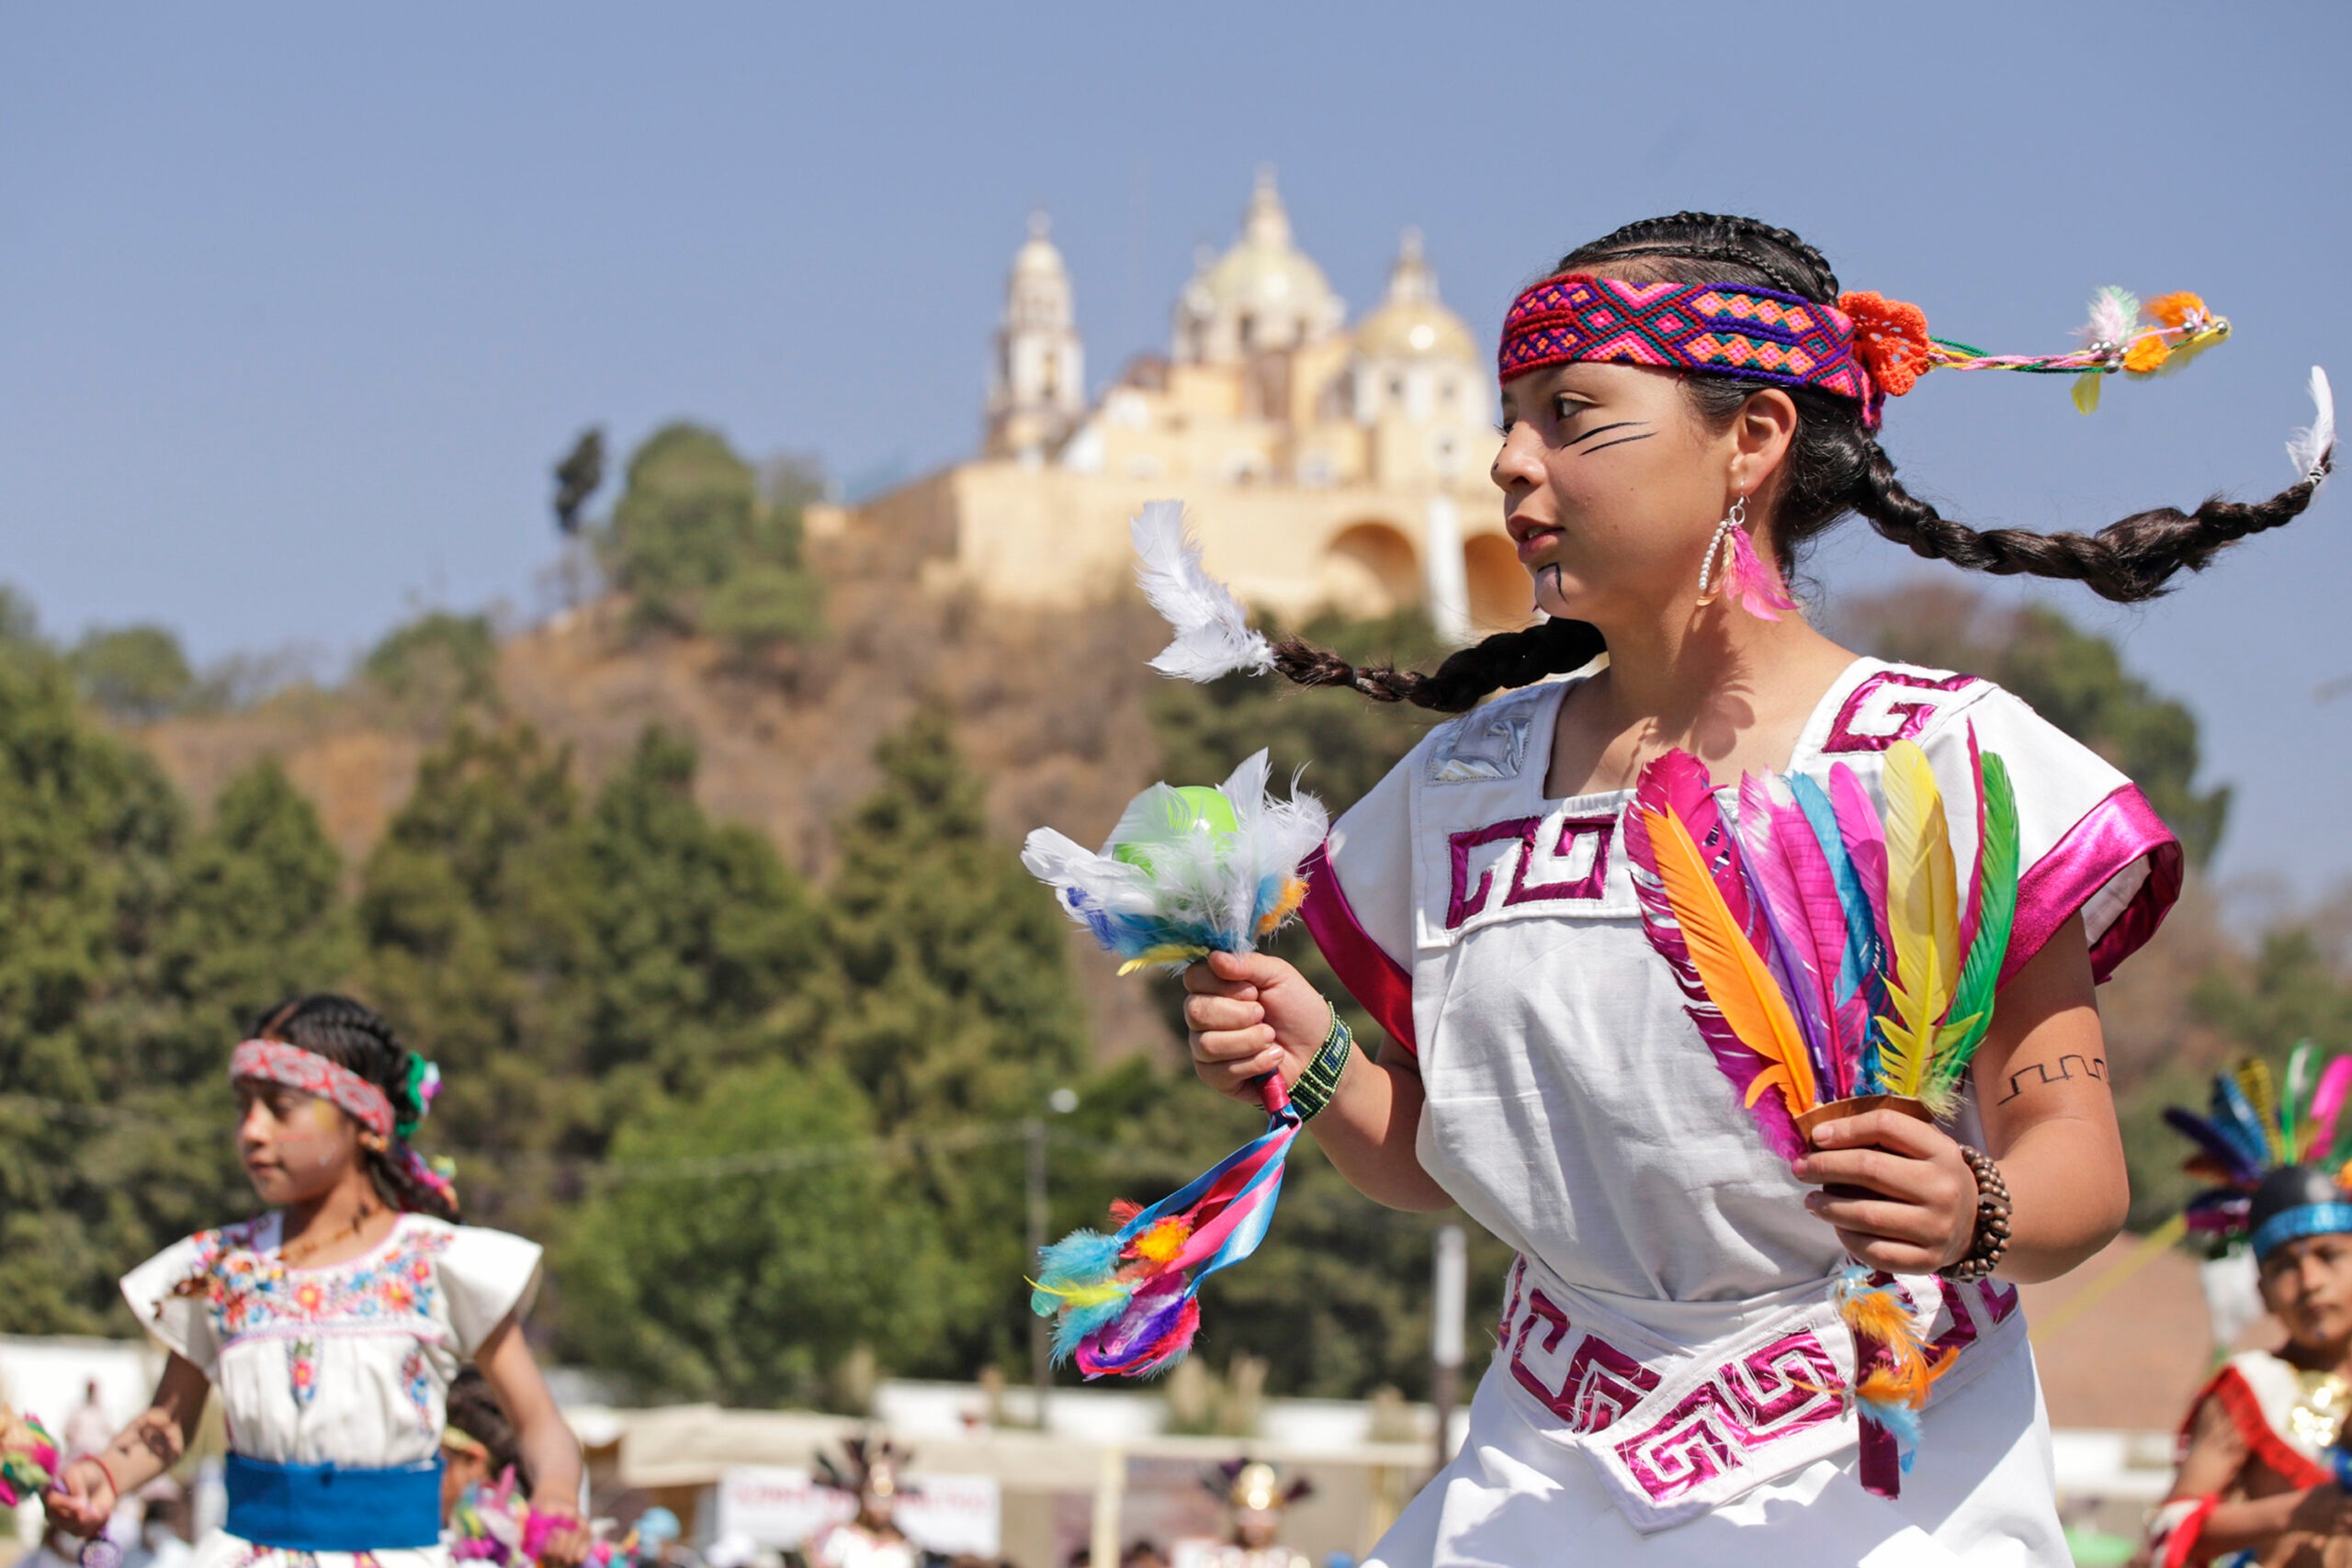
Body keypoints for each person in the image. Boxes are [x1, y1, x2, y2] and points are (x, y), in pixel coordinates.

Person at [1181, 213, 2332, 1565]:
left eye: (1571, 412)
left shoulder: (1948, 762)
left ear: (1754, 437)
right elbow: (1444, 1156)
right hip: (1544, 1454)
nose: (1509, 458)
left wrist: (1978, 1210)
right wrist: (1315, 1064)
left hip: (1886, 1458)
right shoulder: (1457, 788)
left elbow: (2076, 1159)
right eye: (1512, 419)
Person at [44, 995, 590, 1568]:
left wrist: (555, 1500)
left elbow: (539, 1423)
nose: (252, 1131)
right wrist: (104, 1473)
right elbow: (168, 1424)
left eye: (281, 1108)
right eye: (243, 1108)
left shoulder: (436, 1263)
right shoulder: (221, 1267)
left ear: (367, 1124)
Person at [2142, 1058, 2352, 1566]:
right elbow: (2166, 1534)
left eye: (2329, 1256)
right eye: (2283, 1267)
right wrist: (2299, 1512)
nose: (2309, 1282)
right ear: (2261, 1289)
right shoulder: (2251, 1388)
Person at [804, 1438, 915, 1568]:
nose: (882, 1505)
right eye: (875, 1497)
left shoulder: (905, 1544)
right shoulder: (844, 1538)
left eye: (888, 1498)